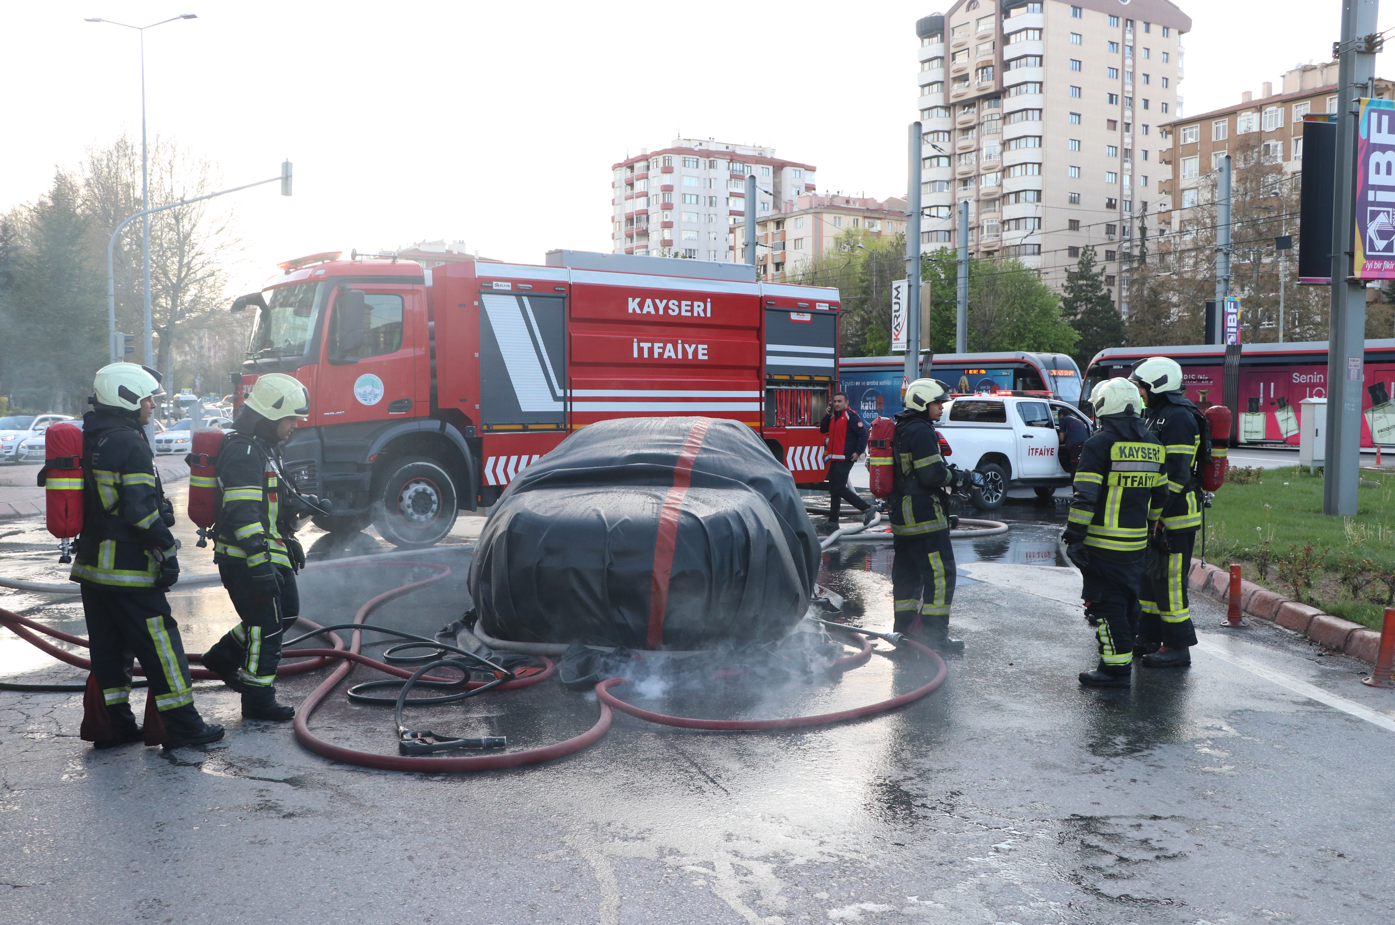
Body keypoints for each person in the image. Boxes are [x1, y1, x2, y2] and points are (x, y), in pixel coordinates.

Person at [70, 364, 224, 749]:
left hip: (92, 567)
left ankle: (113, 726)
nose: (153, 404)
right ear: (127, 397)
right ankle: (183, 726)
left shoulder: (92, 436)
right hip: (129, 569)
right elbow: (139, 513)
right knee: (162, 646)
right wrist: (168, 549)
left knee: (108, 650)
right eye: (147, 397)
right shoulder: (130, 442)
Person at [200, 374, 313, 721]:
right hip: (245, 556)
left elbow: (269, 504)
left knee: (285, 614)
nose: (295, 425)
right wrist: (259, 562)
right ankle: (258, 699)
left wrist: (303, 506)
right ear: (269, 415)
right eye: (290, 418)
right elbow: (243, 511)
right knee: (266, 626)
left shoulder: (264, 448)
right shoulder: (244, 450)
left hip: (268, 549)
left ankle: (221, 657)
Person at [1062, 380, 1168, 688]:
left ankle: (1115, 669)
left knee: (1107, 606)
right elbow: (1160, 497)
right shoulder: (1153, 445)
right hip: (1136, 544)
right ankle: (1119, 663)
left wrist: (1075, 535)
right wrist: (1149, 527)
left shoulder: (1098, 445)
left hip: (1102, 545)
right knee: (1129, 603)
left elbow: (1085, 497)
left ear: (1104, 406)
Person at [889, 378, 974, 652]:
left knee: (907, 576)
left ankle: (903, 633)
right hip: (925, 516)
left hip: (902, 517)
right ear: (922, 403)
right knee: (940, 577)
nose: (941, 407)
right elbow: (932, 475)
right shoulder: (922, 431)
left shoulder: (900, 428)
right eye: (937, 402)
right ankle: (935, 640)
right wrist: (961, 478)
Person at [1130, 356, 1203, 668]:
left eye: (1143, 386)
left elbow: (1177, 474)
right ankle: (1149, 637)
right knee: (1150, 581)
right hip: (1158, 514)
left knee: (1171, 583)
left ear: (1158, 385)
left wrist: (1157, 514)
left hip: (1175, 516)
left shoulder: (1179, 418)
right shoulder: (1157, 414)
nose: (1141, 392)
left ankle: (1177, 646)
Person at [818, 391, 875, 529]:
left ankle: (867, 508)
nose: (837, 404)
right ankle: (832, 522)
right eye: (835, 401)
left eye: (840, 401)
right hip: (835, 458)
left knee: (837, 488)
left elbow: (863, 435)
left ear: (846, 403)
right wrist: (827, 415)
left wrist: (858, 452)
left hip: (845, 458)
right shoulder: (833, 417)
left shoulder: (852, 417)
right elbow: (822, 429)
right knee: (834, 489)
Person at [1056, 406, 1091, 474]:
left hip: (1076, 446)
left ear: (1061, 415)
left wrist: (1057, 443)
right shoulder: (1079, 420)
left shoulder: (1063, 419)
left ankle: (1075, 483)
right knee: (1081, 464)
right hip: (1085, 444)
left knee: (1075, 466)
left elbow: (1061, 438)